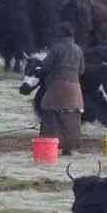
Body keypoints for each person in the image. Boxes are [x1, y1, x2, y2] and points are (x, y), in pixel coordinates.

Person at [34, 23, 84, 154]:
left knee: (51, 116)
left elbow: (45, 67)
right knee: (71, 118)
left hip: (57, 88)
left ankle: (50, 147)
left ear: (61, 34)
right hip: (75, 90)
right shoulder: (78, 49)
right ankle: (68, 148)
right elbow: (82, 70)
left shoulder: (56, 48)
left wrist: (38, 71)